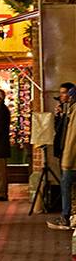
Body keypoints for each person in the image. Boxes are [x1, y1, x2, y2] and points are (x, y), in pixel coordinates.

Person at [49, 84, 76, 230]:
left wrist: (67, 159)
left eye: (65, 93)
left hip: (70, 157)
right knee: (67, 186)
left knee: (66, 185)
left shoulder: (74, 110)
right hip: (65, 153)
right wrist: (59, 116)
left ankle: (66, 216)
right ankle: (70, 216)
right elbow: (60, 131)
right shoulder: (67, 109)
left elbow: (71, 137)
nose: (62, 96)